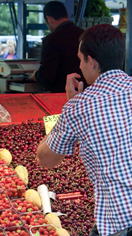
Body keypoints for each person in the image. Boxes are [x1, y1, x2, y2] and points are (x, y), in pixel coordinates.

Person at [36, 24, 132, 236]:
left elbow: (46, 159)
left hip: (120, 220)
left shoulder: (81, 106)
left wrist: (70, 107)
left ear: (91, 61)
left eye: (80, 59)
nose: (79, 66)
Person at [31, 1, 86, 93]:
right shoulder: (84, 35)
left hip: (60, 94)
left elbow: (47, 75)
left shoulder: (51, 39)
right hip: (84, 91)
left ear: (49, 19)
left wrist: (35, 75)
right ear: (67, 17)